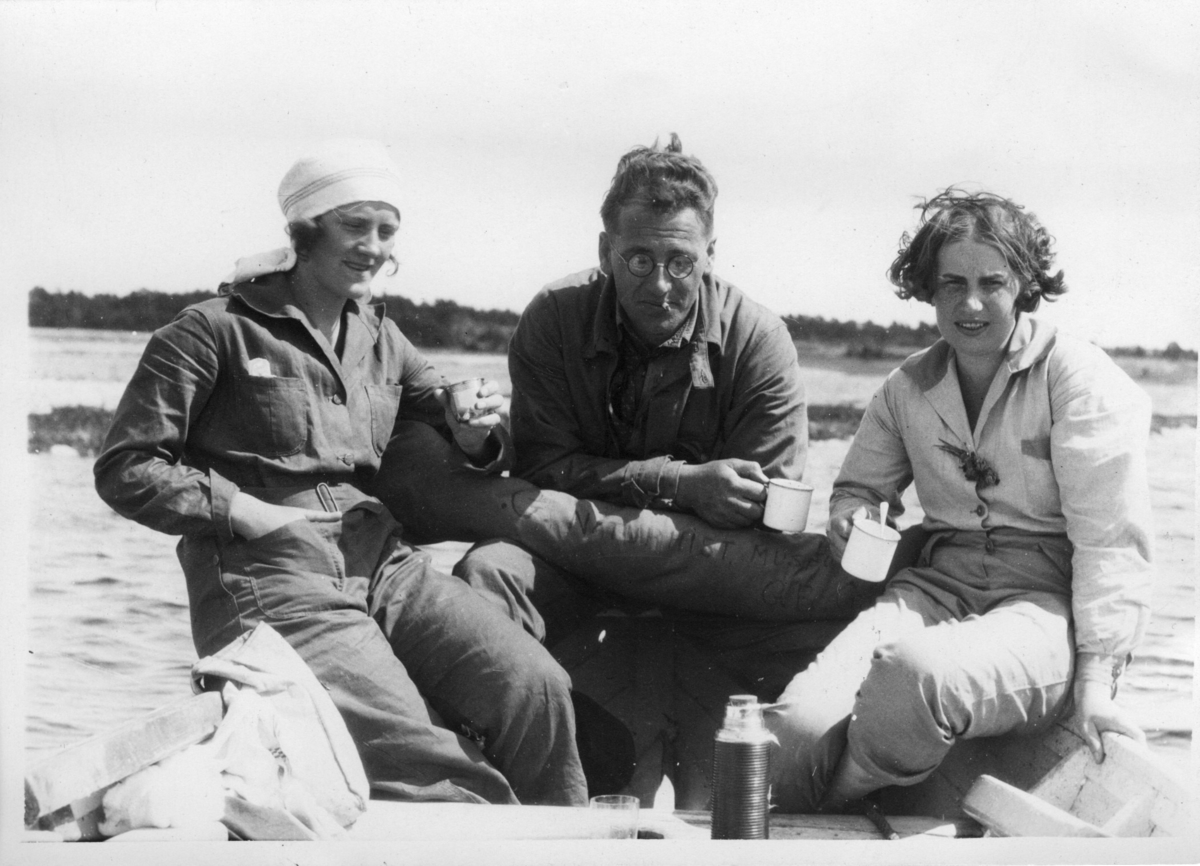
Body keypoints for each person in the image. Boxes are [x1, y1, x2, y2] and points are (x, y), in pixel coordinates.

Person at [93, 140, 587, 808]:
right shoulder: (211, 331)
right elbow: (125, 467)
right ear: (304, 232)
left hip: (378, 558)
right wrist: (244, 511)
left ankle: (566, 842)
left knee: (535, 688)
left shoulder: (382, 338)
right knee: (425, 757)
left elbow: (456, 417)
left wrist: (474, 430)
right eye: (356, 226)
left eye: (388, 230)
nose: (374, 247)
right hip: (268, 572)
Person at [442, 135, 902, 805]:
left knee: (831, 627)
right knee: (489, 573)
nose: (660, 285)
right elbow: (543, 466)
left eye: (681, 262)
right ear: (606, 252)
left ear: (711, 255)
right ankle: (489, 778)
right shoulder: (555, 319)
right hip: (577, 567)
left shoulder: (757, 340)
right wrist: (680, 484)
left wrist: (613, 499)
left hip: (709, 591)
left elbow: (762, 525)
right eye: (639, 259)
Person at [765, 188, 1153, 813]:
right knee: (789, 739)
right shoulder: (905, 387)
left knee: (916, 675)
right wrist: (850, 518)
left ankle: (836, 804)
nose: (970, 304)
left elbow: (1112, 542)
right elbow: (859, 489)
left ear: (1023, 284)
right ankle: (844, 801)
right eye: (952, 284)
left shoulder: (1078, 379)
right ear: (928, 288)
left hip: (1044, 609)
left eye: (991, 283)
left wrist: (1096, 684)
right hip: (936, 589)